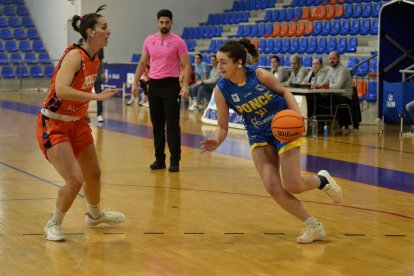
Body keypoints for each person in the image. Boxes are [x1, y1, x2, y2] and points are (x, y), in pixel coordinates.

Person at [200, 40, 342, 244]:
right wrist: (216, 140)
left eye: (223, 62)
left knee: (293, 184)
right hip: (258, 134)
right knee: (272, 187)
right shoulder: (221, 90)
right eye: (218, 62)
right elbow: (222, 126)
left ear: (238, 63)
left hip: (283, 127)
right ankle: (314, 226)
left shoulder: (259, 75)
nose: (218, 66)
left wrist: (299, 116)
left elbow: (285, 92)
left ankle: (322, 181)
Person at [35, 5, 125, 241]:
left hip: (77, 123)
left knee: (93, 173)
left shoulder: (95, 58)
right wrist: (96, 97)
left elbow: (80, 88)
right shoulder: (75, 55)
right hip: (53, 123)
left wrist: (84, 110)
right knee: (75, 179)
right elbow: (62, 90)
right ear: (91, 32)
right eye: (104, 27)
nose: (108, 31)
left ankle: (94, 216)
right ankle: (53, 223)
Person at [131, 9, 191, 172]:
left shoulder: (178, 42)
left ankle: (175, 161)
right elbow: (143, 63)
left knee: (172, 125)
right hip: (154, 86)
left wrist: (184, 86)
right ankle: (159, 159)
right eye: (161, 22)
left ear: (171, 23)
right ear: (157, 23)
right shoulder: (149, 40)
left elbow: (186, 65)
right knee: (157, 125)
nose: (164, 25)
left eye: (167, 22)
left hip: (171, 86)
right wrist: (135, 83)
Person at [94, 48, 105, 122]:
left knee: (99, 95)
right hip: (86, 75)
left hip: (97, 76)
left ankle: (99, 114)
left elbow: (101, 61)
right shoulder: (85, 44)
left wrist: (103, 73)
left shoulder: (100, 48)